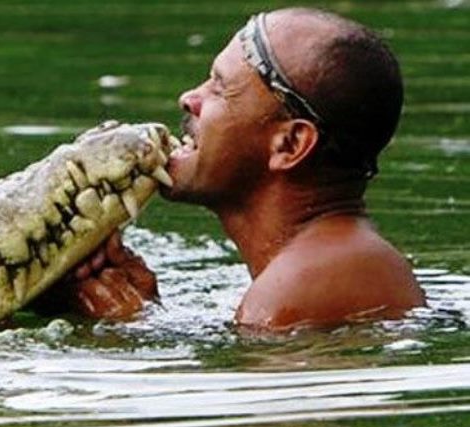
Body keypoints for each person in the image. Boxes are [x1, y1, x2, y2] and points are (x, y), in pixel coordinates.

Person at [54, 7, 425, 330]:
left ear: (290, 145)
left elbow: (268, 400)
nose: (189, 98)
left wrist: (127, 329)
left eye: (220, 88)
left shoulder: (297, 290)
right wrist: (146, 311)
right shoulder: (331, 266)